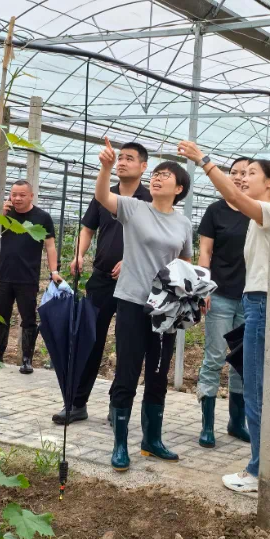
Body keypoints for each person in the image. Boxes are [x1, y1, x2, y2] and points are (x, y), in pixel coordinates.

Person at [177, 140, 270, 492]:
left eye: (251, 173)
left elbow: (238, 200)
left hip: (262, 306)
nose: (243, 179)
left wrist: (204, 161)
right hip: (264, 301)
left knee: (257, 392)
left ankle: (257, 470)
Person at [95, 138, 193, 472]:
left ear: (178, 188)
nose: (158, 178)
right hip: (132, 301)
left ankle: (152, 440)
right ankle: (120, 444)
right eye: (157, 173)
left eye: (166, 176)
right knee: (127, 371)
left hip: (166, 308)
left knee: (157, 373)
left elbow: (185, 261)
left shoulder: (183, 223)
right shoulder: (134, 208)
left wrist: (196, 292)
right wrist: (107, 167)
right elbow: (102, 197)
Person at [52, 142, 151, 425]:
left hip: (135, 281)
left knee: (127, 343)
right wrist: (79, 254)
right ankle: (76, 402)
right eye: (120, 158)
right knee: (89, 339)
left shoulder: (149, 197)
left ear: (143, 167)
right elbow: (88, 227)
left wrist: (133, 260)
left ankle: (117, 405)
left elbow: (154, 239)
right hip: (101, 278)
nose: (122, 162)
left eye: (129, 159)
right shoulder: (104, 192)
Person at [196, 156, 252, 448]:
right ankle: (207, 426)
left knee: (242, 361)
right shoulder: (215, 211)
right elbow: (205, 252)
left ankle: (236, 422)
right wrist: (203, 287)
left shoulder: (256, 211)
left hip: (250, 298)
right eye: (235, 172)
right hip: (219, 294)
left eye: (246, 173)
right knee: (215, 357)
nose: (241, 177)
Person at [0, 180, 61, 373]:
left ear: (31, 196)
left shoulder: (42, 217)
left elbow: (50, 246)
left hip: (27, 277)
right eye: (14, 194)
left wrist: (54, 271)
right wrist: (2, 215)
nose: (17, 198)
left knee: (28, 319)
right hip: (3, 276)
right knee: (0, 318)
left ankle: (26, 359)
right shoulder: (4, 215)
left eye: (22, 195)